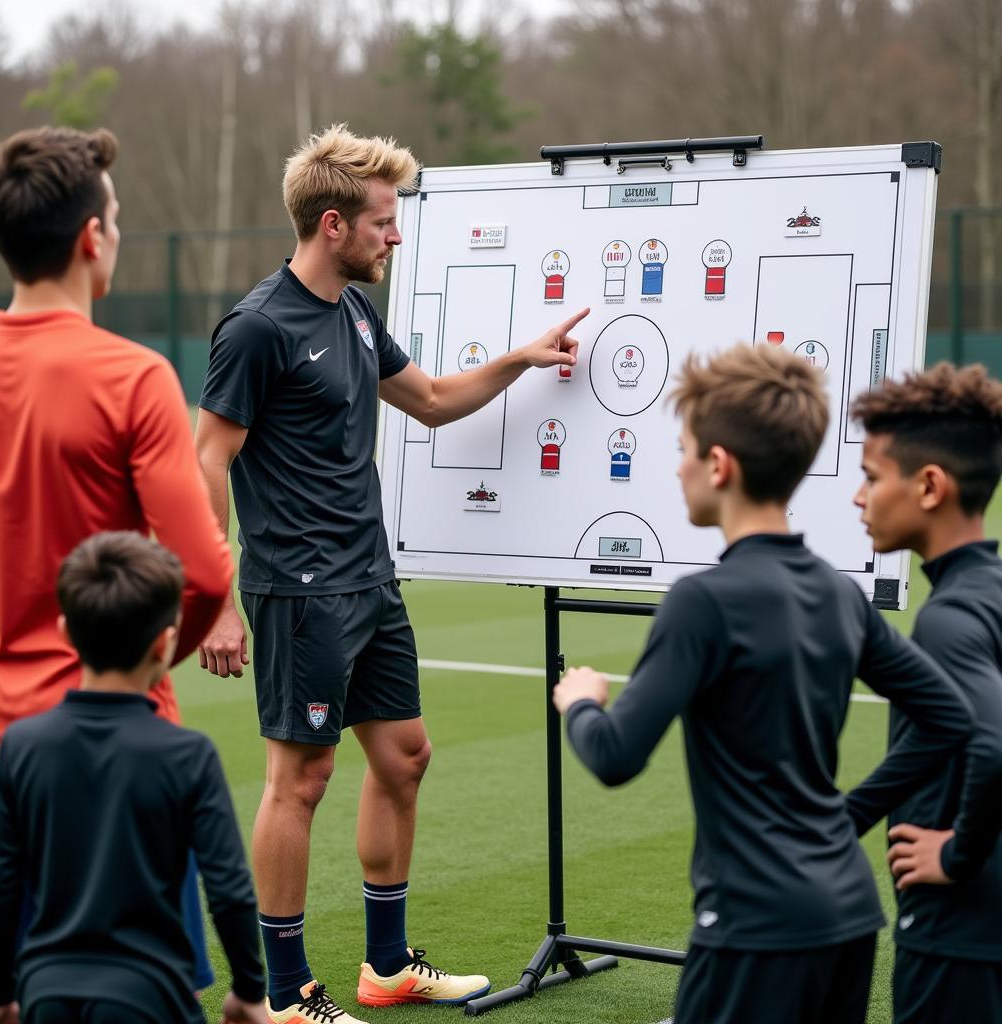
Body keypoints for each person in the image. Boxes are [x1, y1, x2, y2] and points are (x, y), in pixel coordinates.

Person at [195, 122, 588, 1023]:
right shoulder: (257, 328)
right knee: (299, 780)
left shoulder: (356, 315)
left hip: (371, 582)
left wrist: (521, 359)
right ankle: (288, 994)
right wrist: (215, 596)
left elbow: (438, 403)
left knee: (404, 759)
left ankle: (385, 969)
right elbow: (206, 461)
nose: (395, 236)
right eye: (383, 222)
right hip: (296, 591)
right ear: (333, 225)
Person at [551, 343, 974, 1024]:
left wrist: (581, 704)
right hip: (849, 916)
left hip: (756, 927)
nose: (680, 466)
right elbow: (951, 717)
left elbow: (614, 756)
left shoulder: (702, 601)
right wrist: (848, 816)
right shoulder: (841, 595)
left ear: (719, 466)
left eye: (685, 449)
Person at [0, 126, 234, 994]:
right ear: (93, 238)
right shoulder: (134, 376)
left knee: (2, 997)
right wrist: (149, 658)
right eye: (118, 217)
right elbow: (202, 572)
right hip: (123, 757)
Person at [0, 531, 266, 1024]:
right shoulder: (187, 754)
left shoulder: (22, 746)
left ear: (66, 634)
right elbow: (229, 888)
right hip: (152, 996)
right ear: (165, 642)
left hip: (46, 994)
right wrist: (249, 991)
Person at [848, 363, 1002, 1024]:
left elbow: (991, 739)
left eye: (872, 478)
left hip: (955, 939)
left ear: (931, 486)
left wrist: (957, 854)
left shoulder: (948, 618)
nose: (860, 498)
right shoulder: (989, 589)